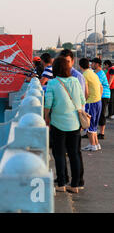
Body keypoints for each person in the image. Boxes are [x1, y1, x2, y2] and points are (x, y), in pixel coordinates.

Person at [44, 56, 85, 193]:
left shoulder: (53, 83)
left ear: (55, 69)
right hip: (75, 123)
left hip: (58, 123)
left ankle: (61, 183)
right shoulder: (75, 81)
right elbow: (82, 100)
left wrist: (46, 118)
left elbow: (48, 104)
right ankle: (75, 185)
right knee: (74, 154)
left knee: (59, 154)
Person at [58, 49, 86, 187]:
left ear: (73, 61)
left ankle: (79, 180)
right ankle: (64, 178)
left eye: (67, 62)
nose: (65, 65)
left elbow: (81, 100)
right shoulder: (58, 77)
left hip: (74, 120)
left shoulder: (77, 77)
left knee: (75, 152)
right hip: (62, 120)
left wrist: (81, 119)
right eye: (63, 62)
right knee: (63, 152)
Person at [79, 58, 103, 151]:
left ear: (80, 66)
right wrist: (98, 98)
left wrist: (83, 102)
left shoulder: (84, 75)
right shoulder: (93, 73)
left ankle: (93, 145)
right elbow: (101, 87)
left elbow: (86, 91)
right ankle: (95, 144)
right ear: (88, 65)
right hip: (98, 101)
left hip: (91, 102)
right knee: (94, 124)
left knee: (88, 124)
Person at [91, 58, 110, 140]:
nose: (91, 65)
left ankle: (101, 133)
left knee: (102, 113)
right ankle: (91, 132)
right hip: (96, 95)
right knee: (94, 114)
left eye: (93, 63)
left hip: (103, 95)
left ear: (97, 64)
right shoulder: (94, 73)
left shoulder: (101, 73)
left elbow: (97, 85)